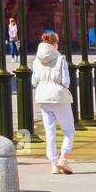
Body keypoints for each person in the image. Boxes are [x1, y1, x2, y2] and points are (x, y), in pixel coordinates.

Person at [31, 30, 74, 174]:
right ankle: (63, 157)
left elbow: (34, 81)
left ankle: (53, 164)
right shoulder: (61, 59)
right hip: (58, 96)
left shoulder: (36, 60)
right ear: (55, 43)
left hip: (43, 97)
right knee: (68, 129)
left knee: (50, 132)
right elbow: (66, 81)